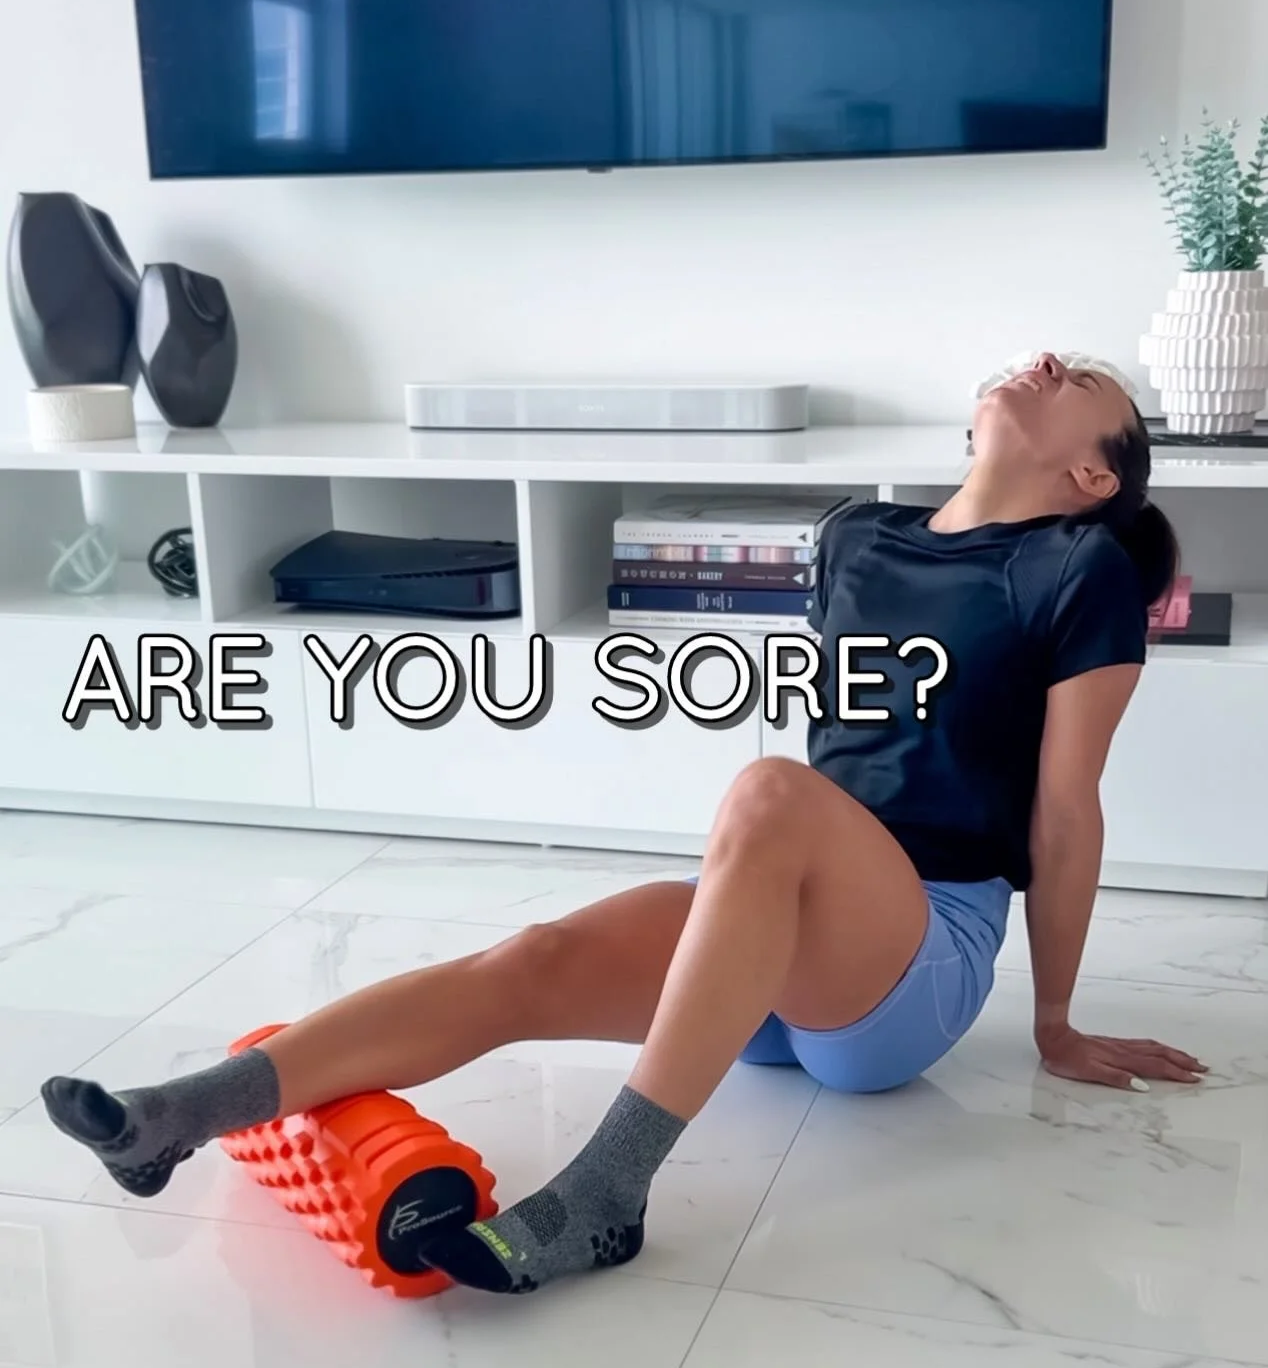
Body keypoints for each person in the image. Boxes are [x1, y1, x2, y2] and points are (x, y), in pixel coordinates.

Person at [43, 351, 1206, 1295]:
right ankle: (171, 1117)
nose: (1043, 361)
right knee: (534, 957)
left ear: (1091, 475)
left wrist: (1051, 1019)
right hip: (780, 942)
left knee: (767, 791)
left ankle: (604, 1194)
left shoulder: (1076, 569)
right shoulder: (856, 533)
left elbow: (1065, 811)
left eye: (1077, 380)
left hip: (915, 962)